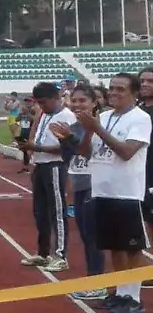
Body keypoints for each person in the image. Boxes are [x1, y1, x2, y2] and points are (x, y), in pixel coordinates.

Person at [73, 73, 149, 313]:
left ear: (134, 93)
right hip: (103, 191)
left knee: (131, 248)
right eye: (112, 88)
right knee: (114, 247)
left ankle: (133, 296)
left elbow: (127, 152)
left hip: (127, 193)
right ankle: (119, 291)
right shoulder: (103, 116)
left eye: (121, 89)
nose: (114, 93)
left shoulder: (141, 118)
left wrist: (97, 128)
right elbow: (85, 153)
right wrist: (88, 131)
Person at [49, 85, 107, 299]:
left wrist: (71, 138)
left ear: (94, 102)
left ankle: (98, 282)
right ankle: (95, 279)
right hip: (79, 182)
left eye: (83, 100)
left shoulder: (100, 125)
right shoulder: (71, 126)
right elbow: (68, 157)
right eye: (74, 100)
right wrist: (64, 139)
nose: (78, 104)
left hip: (96, 183)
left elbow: (89, 152)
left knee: (93, 236)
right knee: (85, 235)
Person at [18, 82, 75, 272]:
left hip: (55, 166)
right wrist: (31, 145)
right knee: (40, 211)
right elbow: (38, 137)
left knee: (57, 211)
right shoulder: (44, 114)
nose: (41, 106)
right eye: (39, 102)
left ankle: (61, 255)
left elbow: (66, 147)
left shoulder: (66, 116)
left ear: (55, 98)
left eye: (44, 102)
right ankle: (43, 253)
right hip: (40, 165)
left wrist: (37, 148)